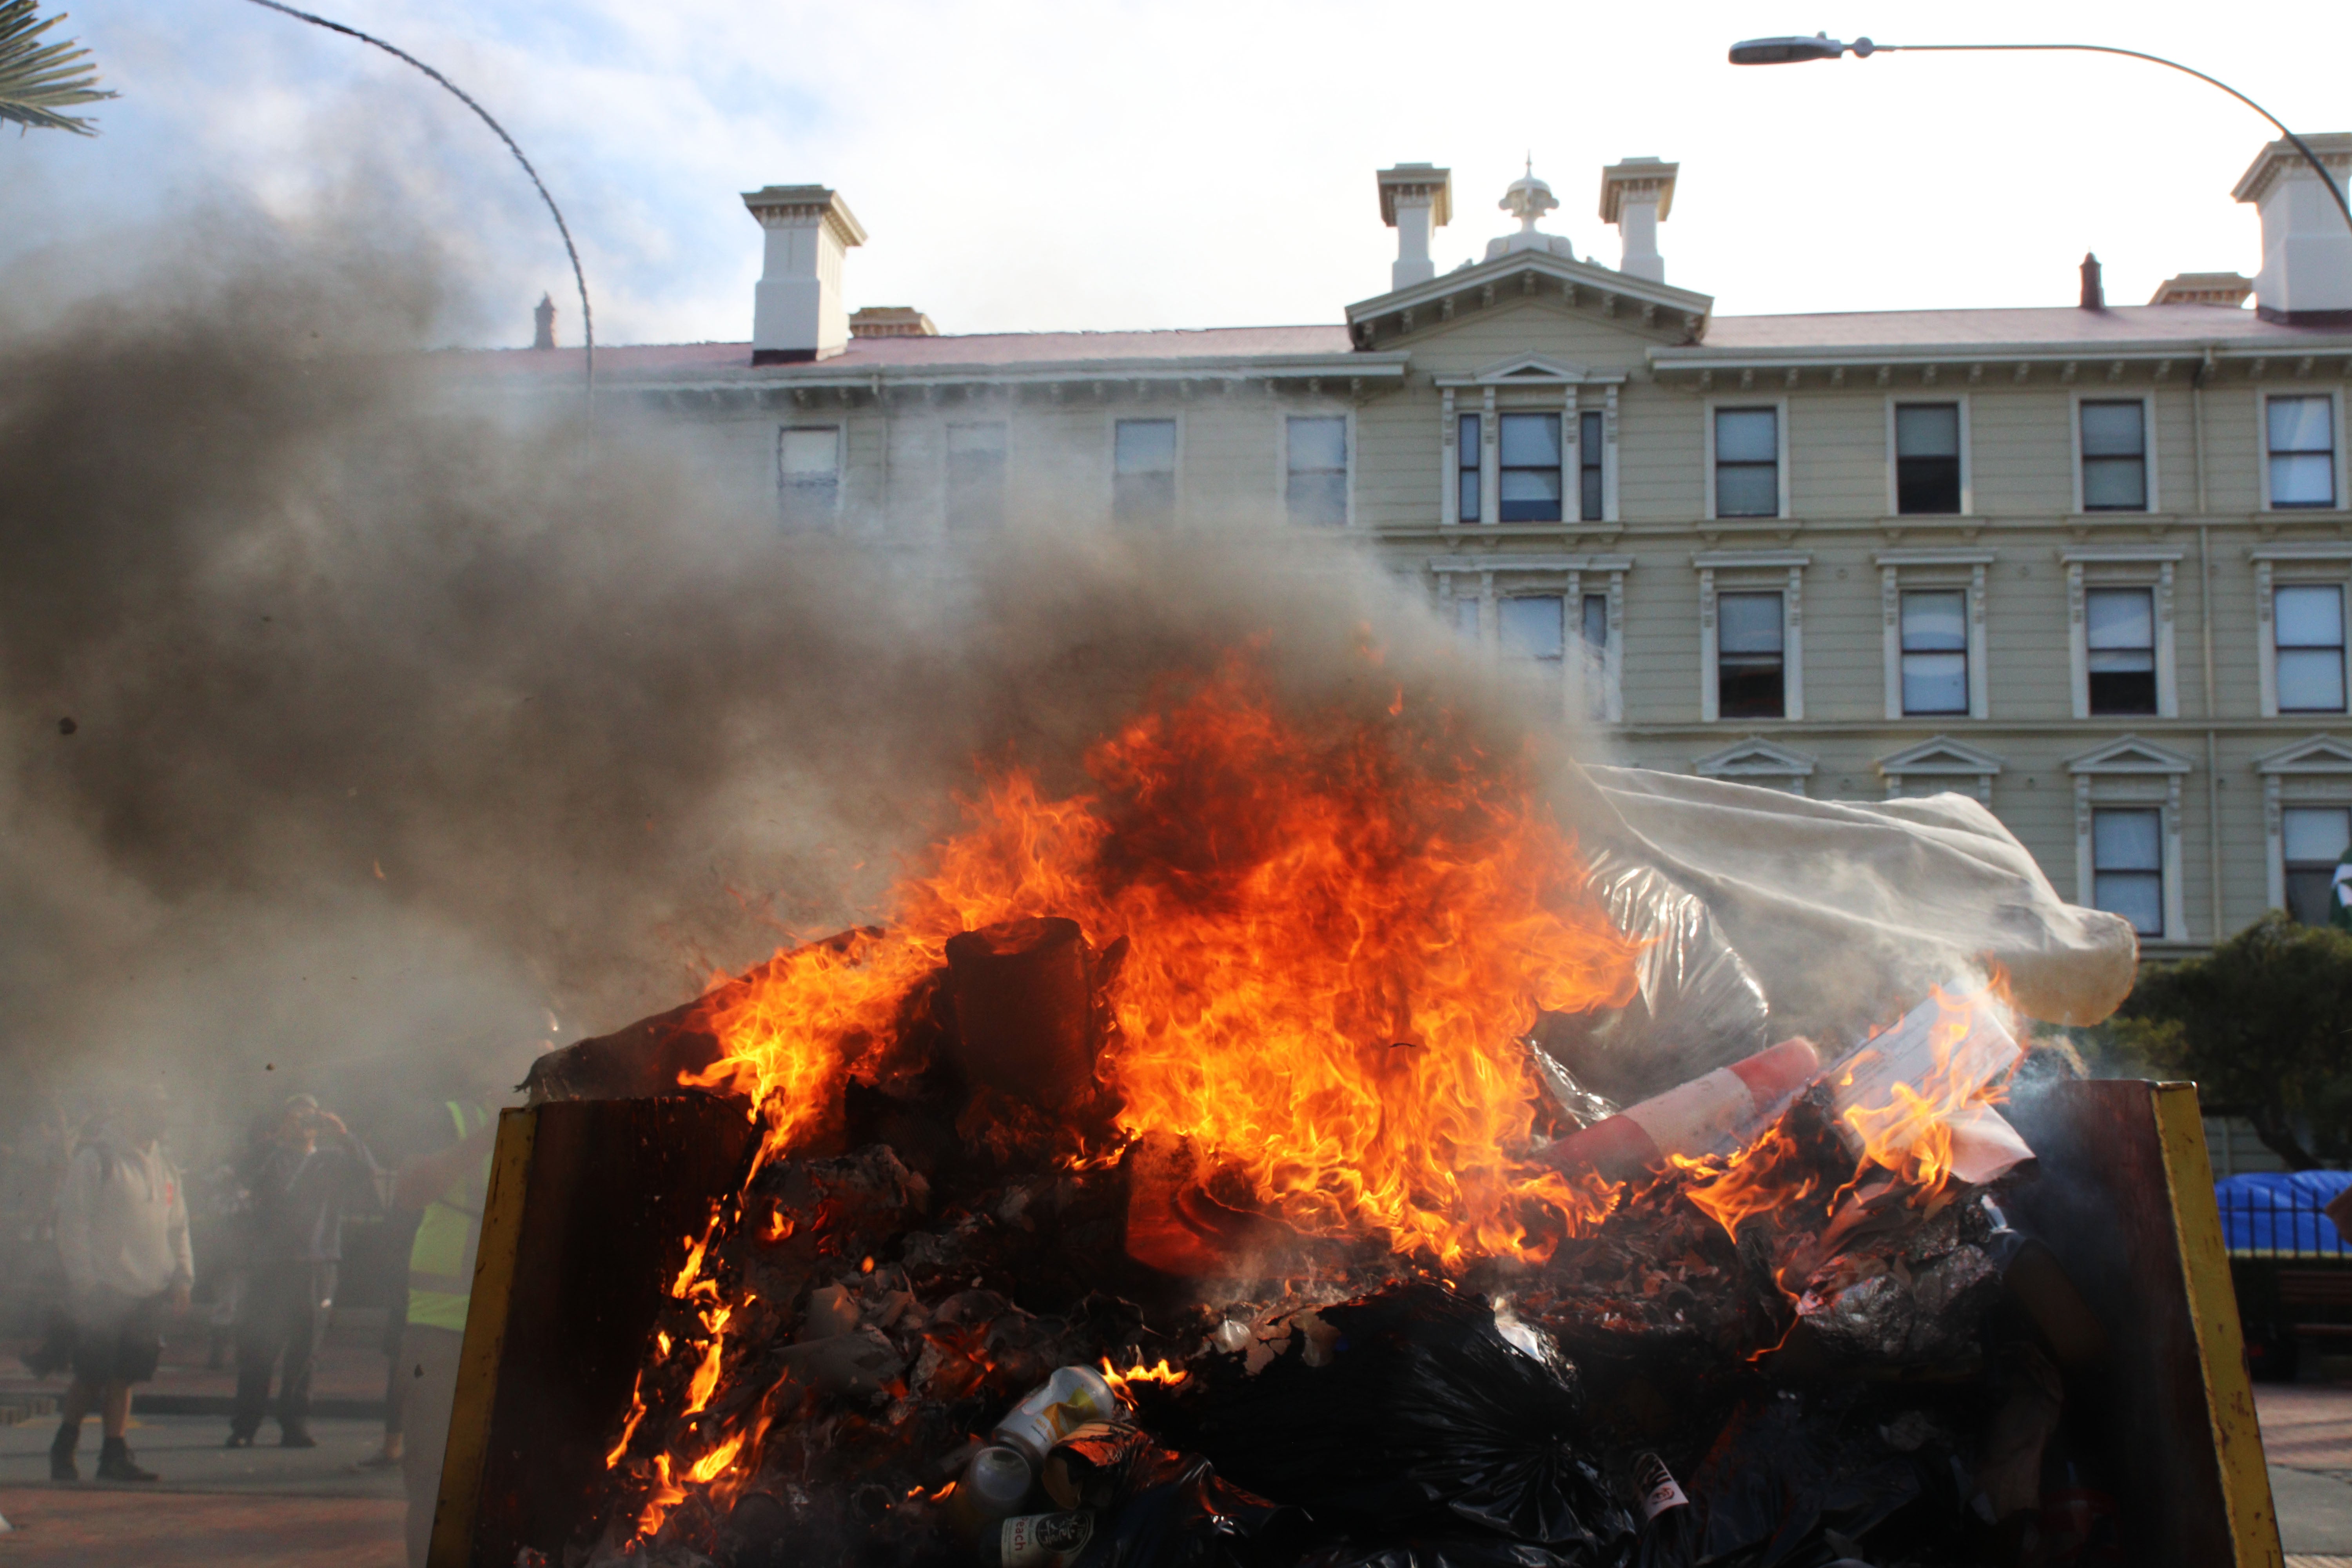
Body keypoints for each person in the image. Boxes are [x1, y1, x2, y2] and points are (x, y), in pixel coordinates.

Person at [49, 1083, 194, 1483]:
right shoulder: (97, 1158)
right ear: (128, 1111)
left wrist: (183, 1274)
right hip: (104, 1289)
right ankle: (65, 1443)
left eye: (163, 1110)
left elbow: (179, 1225)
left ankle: (114, 1452)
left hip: (148, 1287)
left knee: (127, 1373)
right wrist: (86, 1283)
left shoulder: (165, 1164)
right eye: (152, 1108)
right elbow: (72, 1224)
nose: (159, 1118)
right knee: (92, 1372)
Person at [228, 1093, 380, 1449]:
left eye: (311, 1116)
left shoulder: (331, 1159)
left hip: (317, 1264)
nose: (304, 1123)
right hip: (271, 1265)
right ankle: (245, 1425)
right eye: (296, 1115)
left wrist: (343, 1134)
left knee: (305, 1349)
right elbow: (243, 1173)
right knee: (258, 1347)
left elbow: (368, 1171)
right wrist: (279, 1137)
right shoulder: (271, 1156)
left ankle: (293, 1423)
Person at [396, 1096, 497, 1568]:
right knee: (436, 1479)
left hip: (521, 1330)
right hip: (443, 1329)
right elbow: (409, 1190)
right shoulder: (449, 1116)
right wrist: (492, 1132)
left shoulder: (570, 1119)